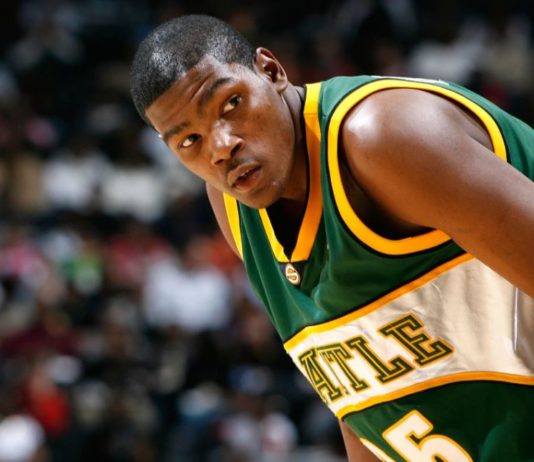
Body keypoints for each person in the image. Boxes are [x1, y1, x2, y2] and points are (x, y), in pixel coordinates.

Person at [130, 14, 534, 462]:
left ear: (271, 71)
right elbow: (360, 401)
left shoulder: (383, 138)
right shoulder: (233, 208)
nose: (221, 146)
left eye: (231, 104)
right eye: (189, 141)